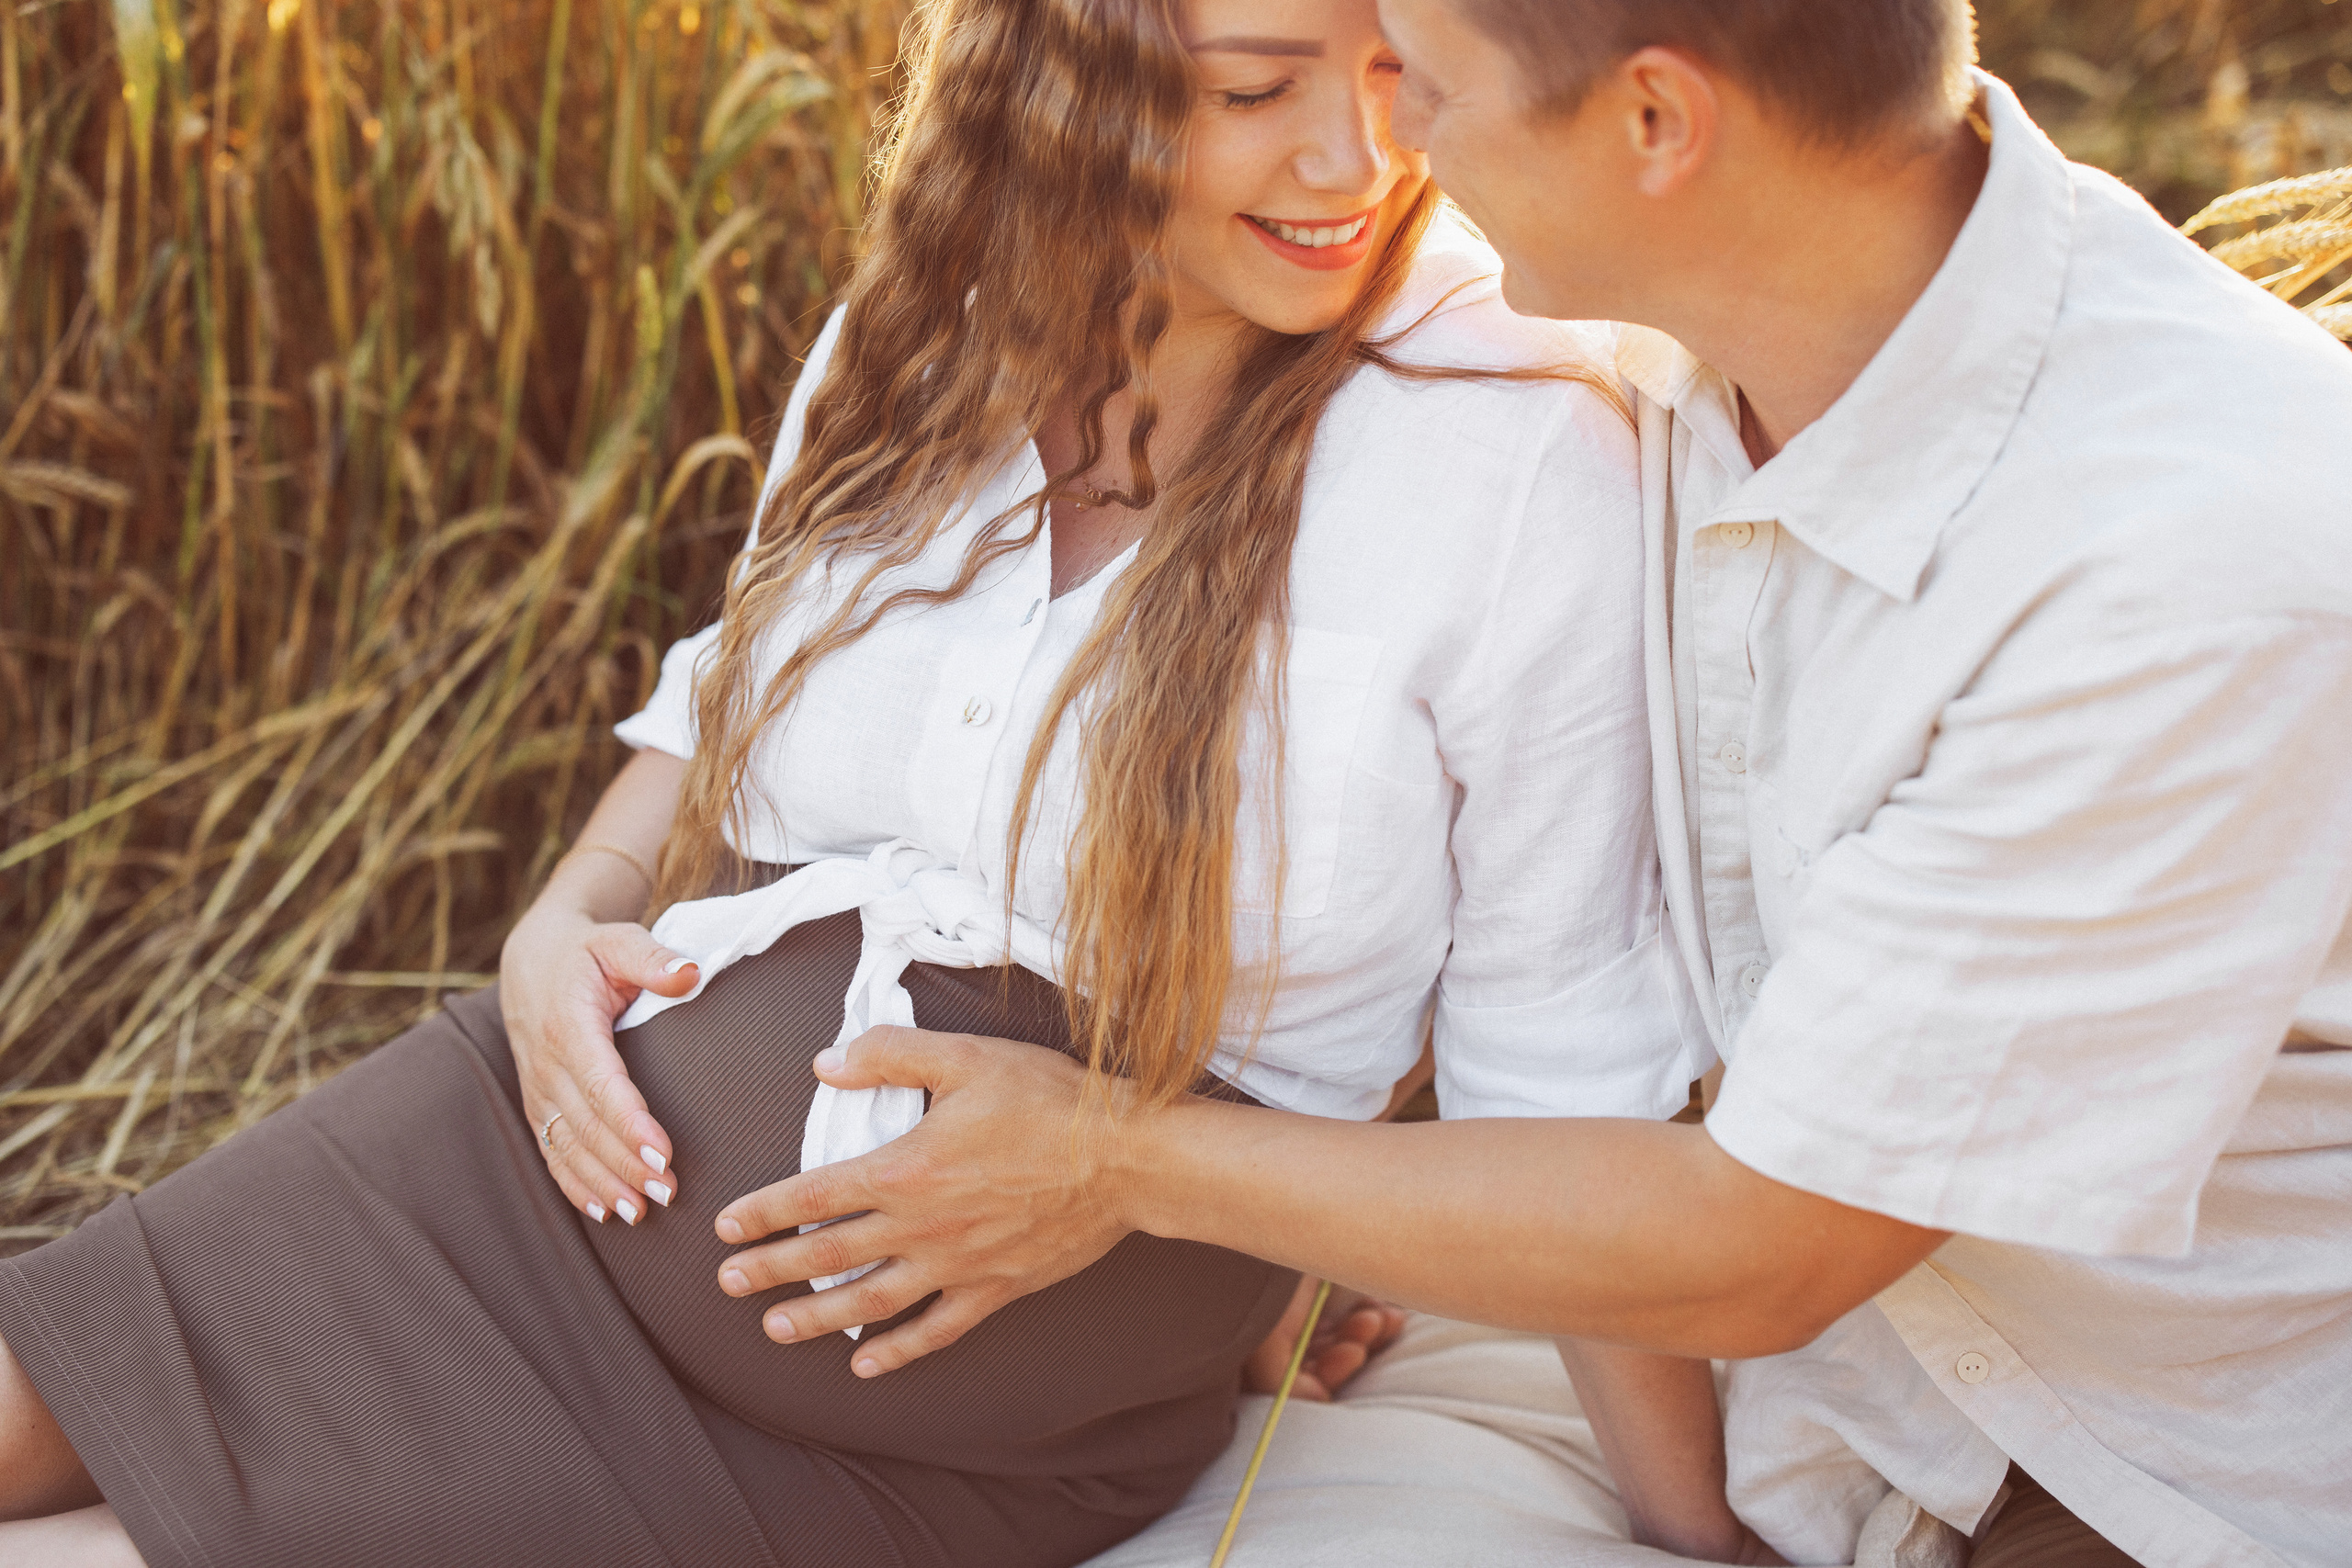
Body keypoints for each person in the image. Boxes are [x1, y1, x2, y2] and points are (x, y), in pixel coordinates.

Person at [0, 0, 1727, 1563]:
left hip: (965, 1412)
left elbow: (1558, 1052)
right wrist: (562, 925)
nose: (1354, 159)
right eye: (1252, 90)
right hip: (535, 1167)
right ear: (1068, 88)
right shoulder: (910, 352)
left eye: (1388, 77)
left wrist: (1692, 1530)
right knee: (25, 1402)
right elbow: (721, 695)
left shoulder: (1522, 448)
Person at [695, 3, 2352, 1566]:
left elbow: (1768, 1242)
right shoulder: (1703, 315)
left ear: (1653, 120)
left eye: (1421, 74)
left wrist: (1133, 1164)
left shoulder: (2182, 558)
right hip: (1843, 1387)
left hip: (2162, 1461)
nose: (1388, 141)